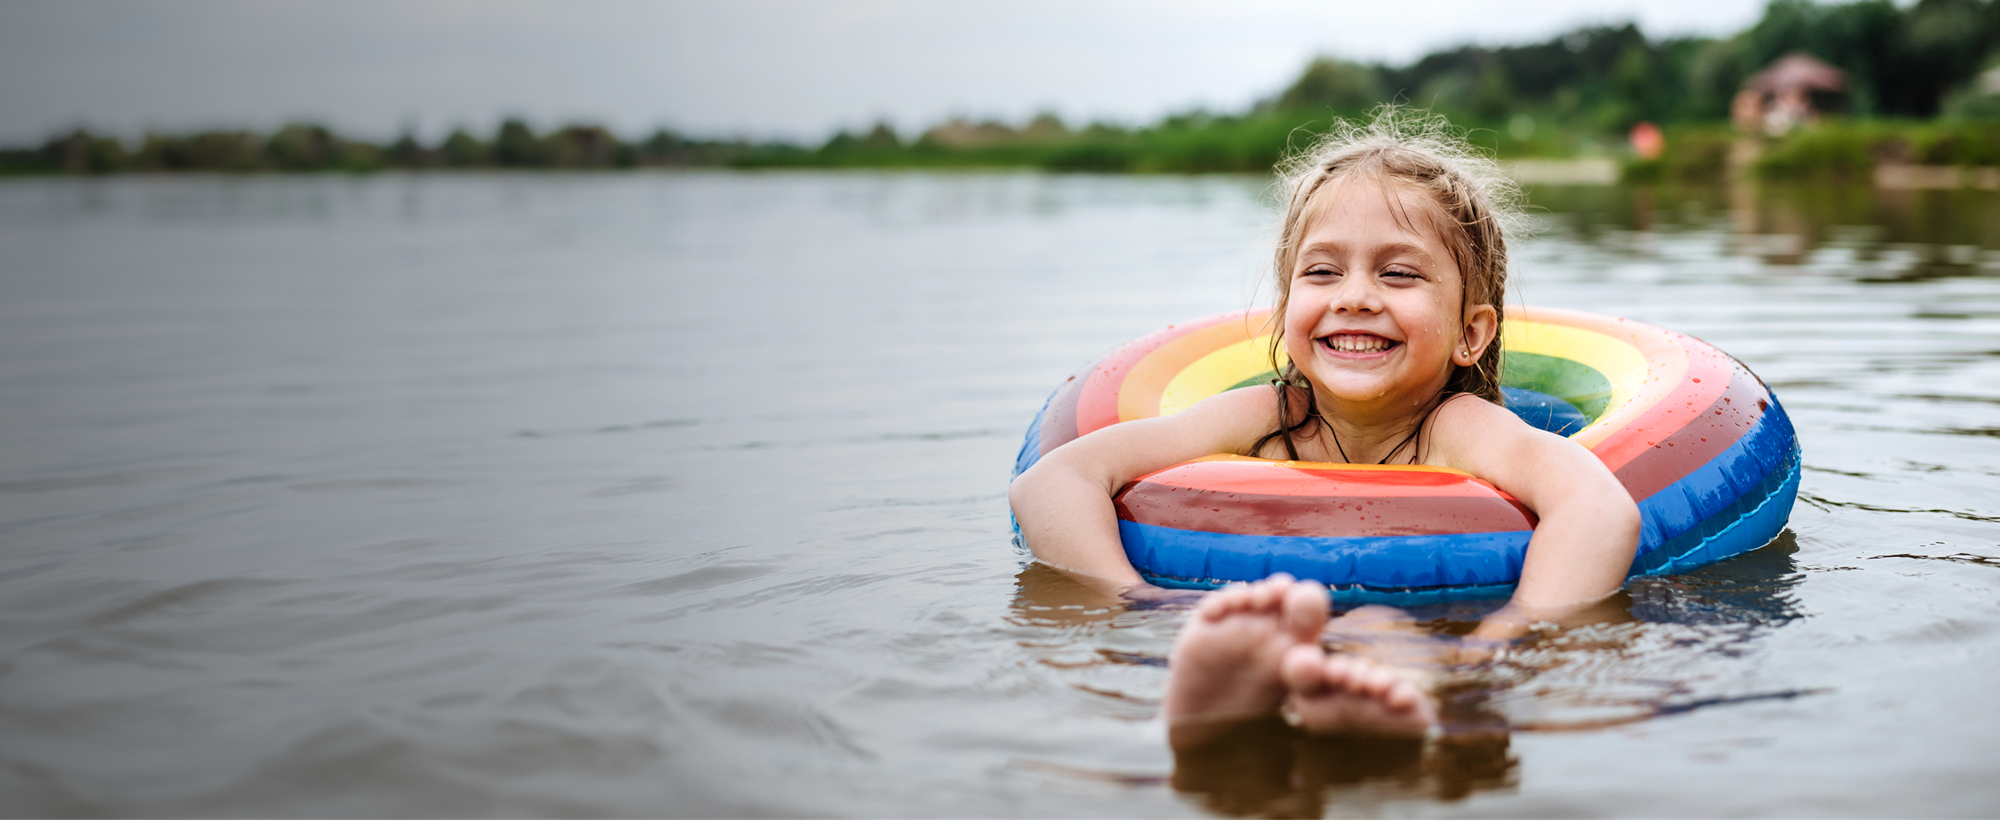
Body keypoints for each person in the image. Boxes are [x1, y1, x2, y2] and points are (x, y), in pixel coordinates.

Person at [1007, 108, 1641, 738]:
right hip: (1257, 616)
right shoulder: (1263, 417)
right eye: (1322, 271)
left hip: (1434, 624)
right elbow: (1053, 482)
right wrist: (1136, 606)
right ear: (1287, 313)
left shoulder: (1461, 428)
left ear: (1469, 333)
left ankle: (1380, 704)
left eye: (1399, 273)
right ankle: (1233, 701)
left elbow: (1597, 507)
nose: (1354, 295)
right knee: (1269, 632)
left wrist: (1503, 634)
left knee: (1378, 624)